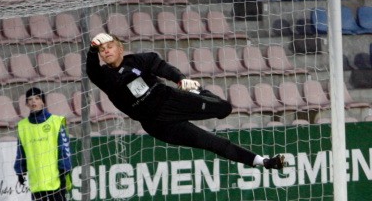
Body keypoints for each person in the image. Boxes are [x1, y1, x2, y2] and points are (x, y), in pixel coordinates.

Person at [86, 33, 286, 171]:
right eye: (102, 50)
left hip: (171, 100)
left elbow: (162, 67)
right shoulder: (103, 76)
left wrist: (180, 80)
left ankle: (198, 90)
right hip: (156, 124)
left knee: (224, 108)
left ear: (120, 48)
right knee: (212, 143)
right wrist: (92, 50)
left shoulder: (140, 60)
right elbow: (91, 69)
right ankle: (264, 162)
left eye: (110, 46)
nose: (106, 51)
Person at [14, 87, 72, 201]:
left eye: (37, 98)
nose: (33, 102)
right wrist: (20, 170)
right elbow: (21, 150)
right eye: (30, 99)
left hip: (55, 174)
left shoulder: (56, 122)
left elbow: (64, 146)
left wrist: (64, 167)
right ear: (26, 104)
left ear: (43, 102)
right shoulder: (23, 126)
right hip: (36, 175)